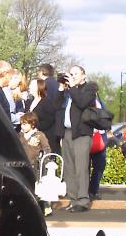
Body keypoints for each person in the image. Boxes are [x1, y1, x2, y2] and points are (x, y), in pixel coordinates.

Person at [54, 65, 97, 212]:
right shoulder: (67, 90)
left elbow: (82, 103)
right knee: (69, 168)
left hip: (81, 133)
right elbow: (55, 105)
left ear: (84, 75)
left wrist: (72, 87)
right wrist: (61, 88)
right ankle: (73, 200)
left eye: (75, 74)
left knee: (81, 167)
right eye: (70, 74)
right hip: (66, 132)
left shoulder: (90, 88)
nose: (72, 76)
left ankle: (83, 201)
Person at [88, 85, 108, 201]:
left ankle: (93, 190)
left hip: (100, 138)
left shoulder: (100, 103)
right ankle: (86, 191)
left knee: (99, 166)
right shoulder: (84, 103)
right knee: (85, 167)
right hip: (88, 137)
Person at [28, 78, 58, 153]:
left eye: (32, 85)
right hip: (32, 136)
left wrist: (35, 127)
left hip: (45, 136)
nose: (29, 86)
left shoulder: (46, 102)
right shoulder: (29, 101)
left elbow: (49, 120)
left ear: (39, 87)